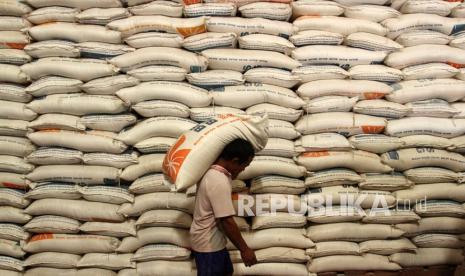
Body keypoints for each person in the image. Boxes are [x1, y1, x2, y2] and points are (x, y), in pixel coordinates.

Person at [190, 138, 258, 276]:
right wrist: (244, 250)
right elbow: (226, 220)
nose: (244, 169)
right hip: (208, 244)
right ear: (234, 161)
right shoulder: (218, 180)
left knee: (227, 272)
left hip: (214, 241)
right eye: (244, 165)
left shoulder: (215, 172)